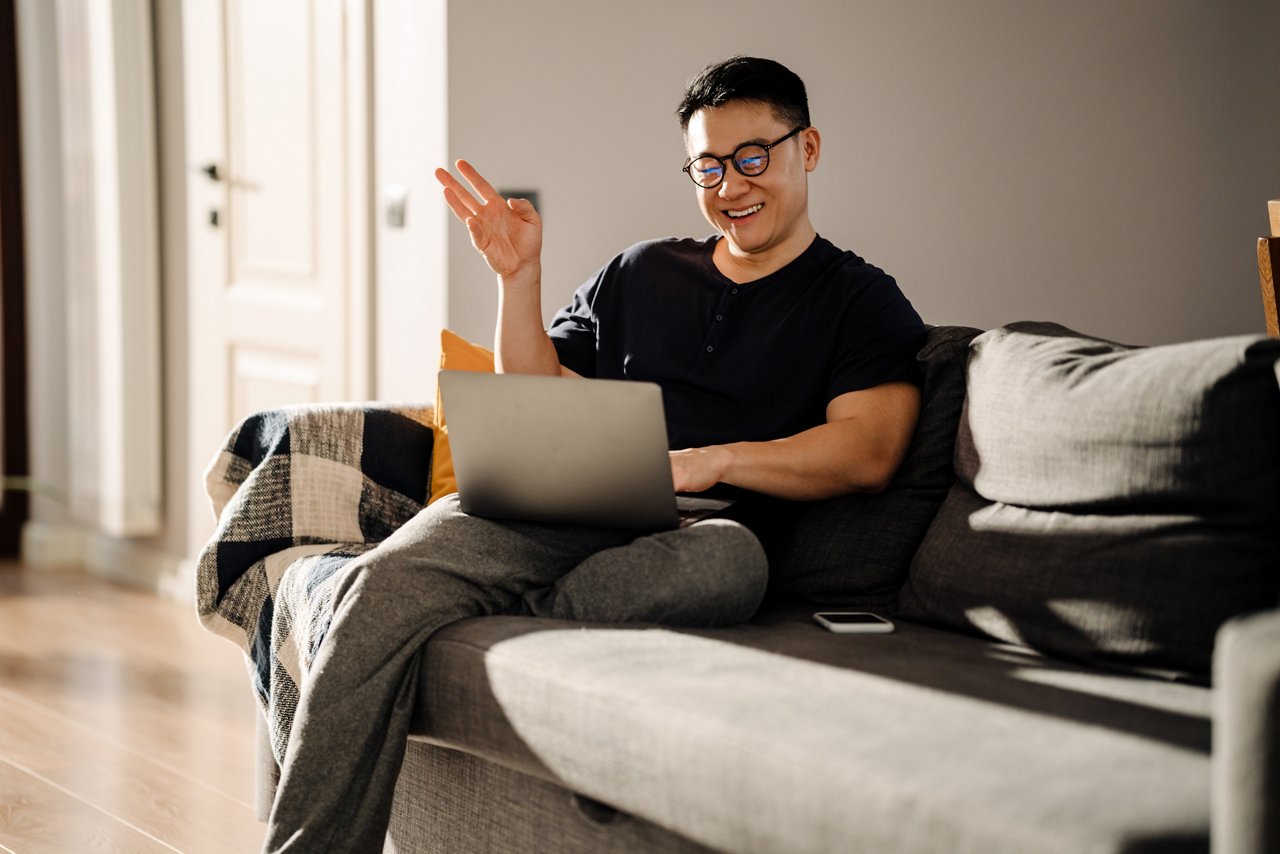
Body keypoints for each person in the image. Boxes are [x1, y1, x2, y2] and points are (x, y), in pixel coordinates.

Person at [263, 56, 926, 852]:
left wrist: (710, 461)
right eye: (709, 165)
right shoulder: (643, 270)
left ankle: (461, 604)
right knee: (378, 586)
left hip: (703, 531)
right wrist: (519, 280)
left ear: (807, 149)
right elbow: (541, 394)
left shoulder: (860, 300)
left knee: (731, 564)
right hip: (570, 509)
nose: (731, 186)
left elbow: (867, 451)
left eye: (754, 157)